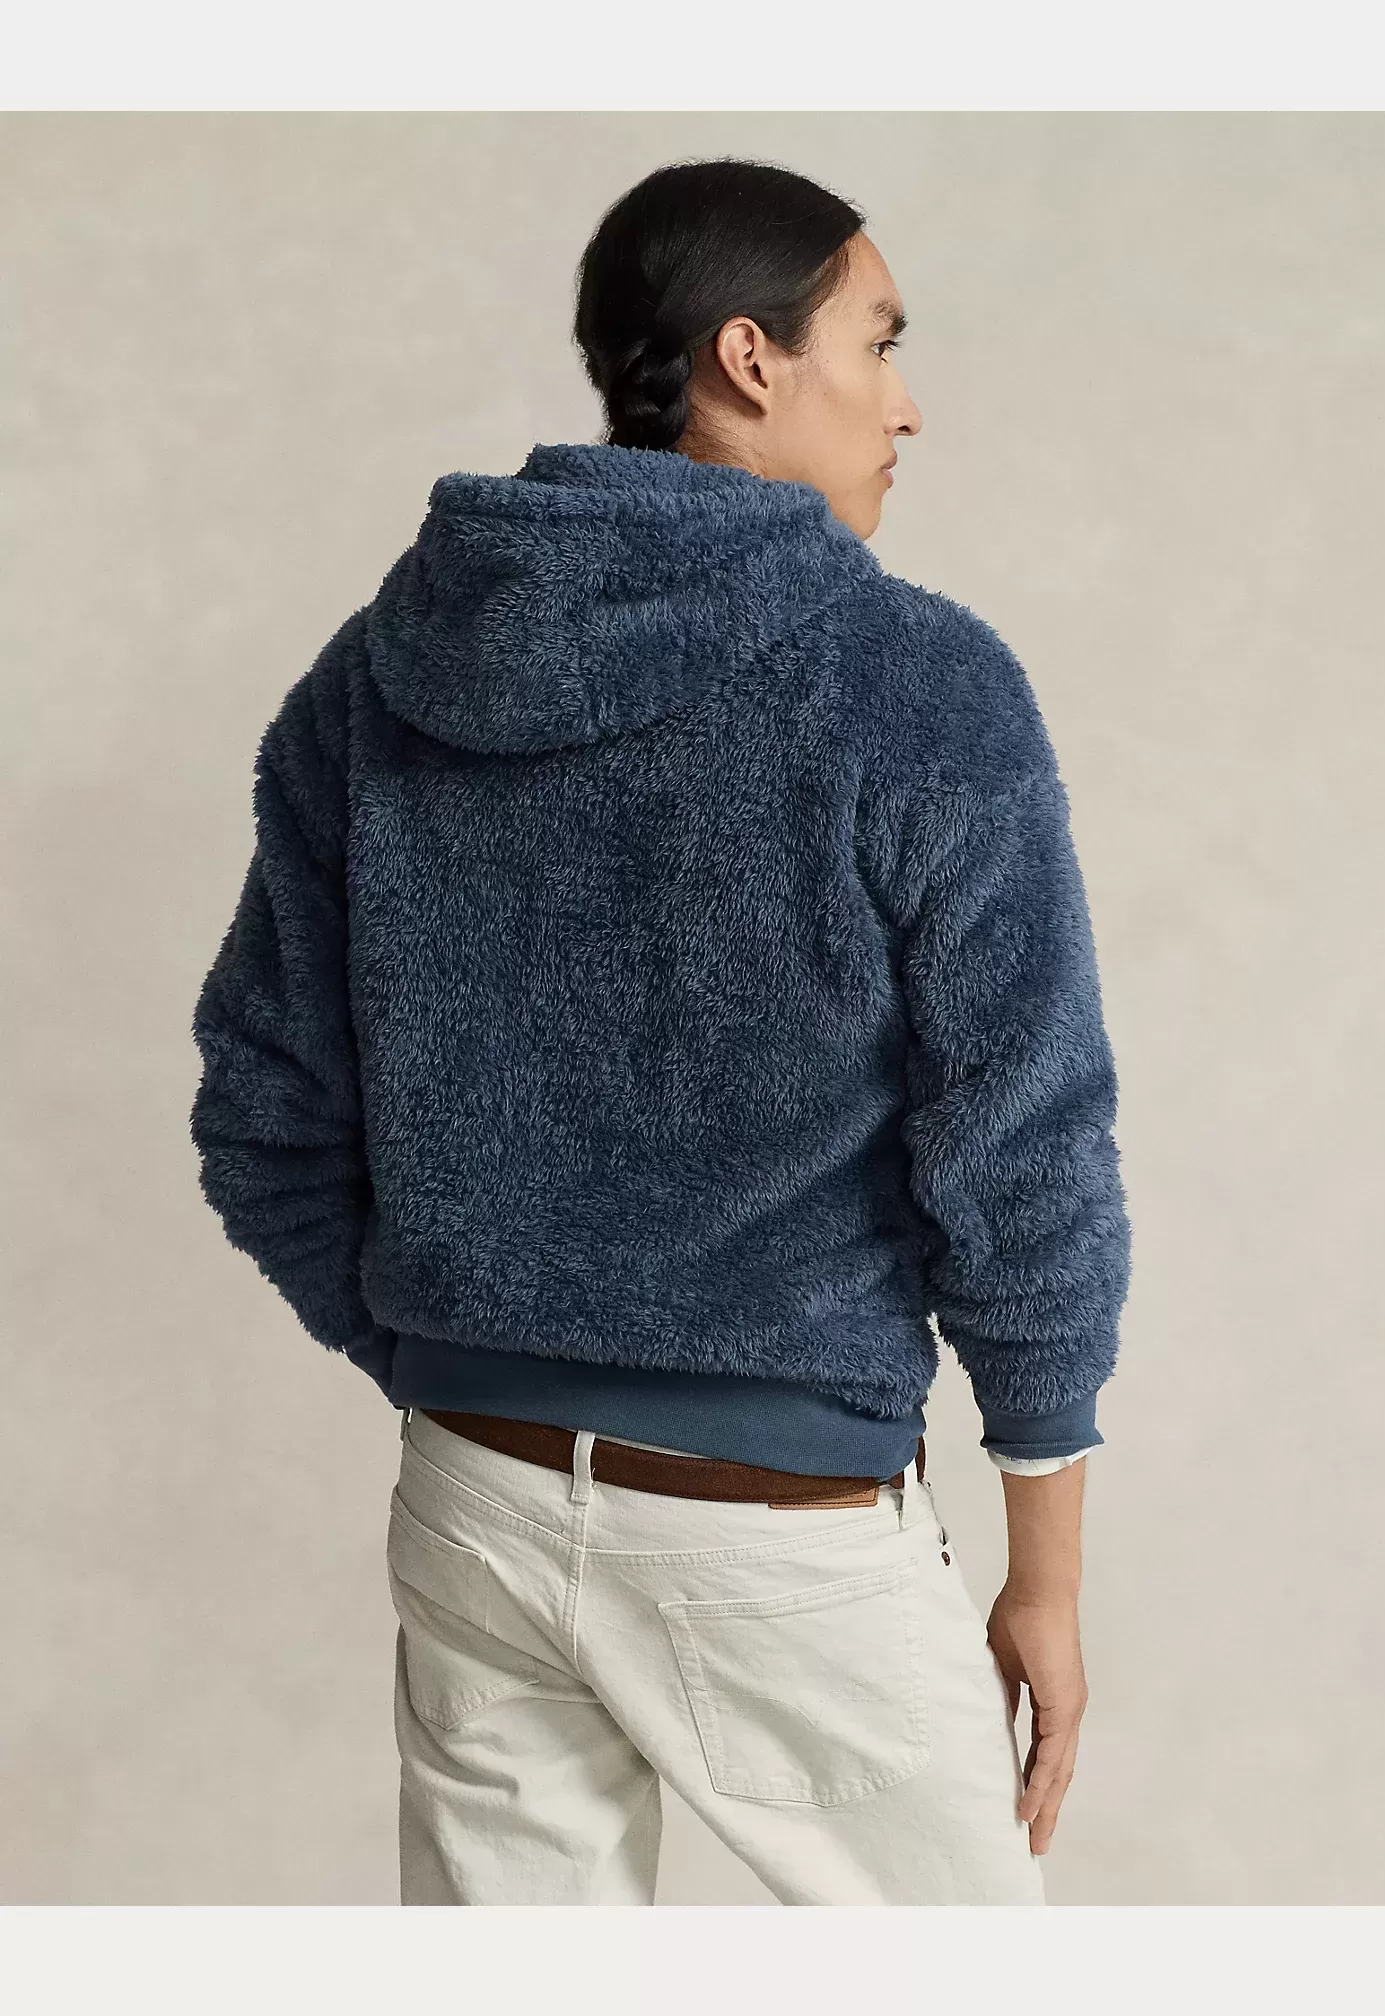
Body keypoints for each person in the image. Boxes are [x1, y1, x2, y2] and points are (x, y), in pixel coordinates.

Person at [188, 157, 1132, 1905]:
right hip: (783, 1527)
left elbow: (263, 1111)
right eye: (880, 342)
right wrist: (1048, 1578)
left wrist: (465, 1350)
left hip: (472, 1495)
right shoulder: (917, 682)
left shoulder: (381, 672)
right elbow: (1025, 1152)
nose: (908, 405)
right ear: (750, 359)